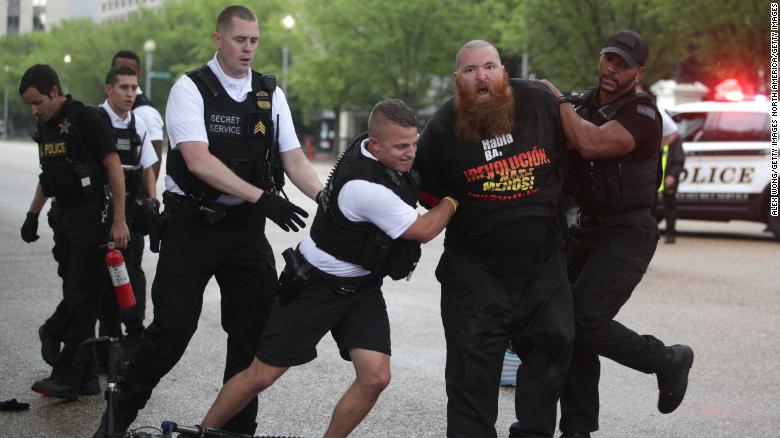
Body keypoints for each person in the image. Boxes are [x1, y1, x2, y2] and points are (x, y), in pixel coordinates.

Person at [94, 5, 322, 436]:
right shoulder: (191, 88)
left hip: (245, 230)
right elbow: (198, 160)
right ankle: (115, 419)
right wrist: (262, 197)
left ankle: (234, 431)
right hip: (192, 226)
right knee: (171, 331)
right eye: (240, 40)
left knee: (251, 333)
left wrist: (326, 199)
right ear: (219, 40)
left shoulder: (269, 93)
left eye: (254, 41)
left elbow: (293, 158)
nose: (248, 49)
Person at [201, 99, 458, 437]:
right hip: (315, 286)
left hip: (361, 288)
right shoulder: (364, 187)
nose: (411, 153)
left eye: (414, 143)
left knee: (375, 377)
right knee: (261, 375)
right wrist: (455, 198)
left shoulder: (379, 153)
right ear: (375, 144)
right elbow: (424, 230)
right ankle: (203, 430)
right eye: (401, 147)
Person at [537, 29, 694, 438]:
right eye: (608, 58)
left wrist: (556, 100)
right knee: (568, 325)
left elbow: (590, 144)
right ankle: (578, 429)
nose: (612, 68)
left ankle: (666, 361)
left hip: (629, 230)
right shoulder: (585, 101)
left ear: (639, 71)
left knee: (585, 320)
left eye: (623, 64)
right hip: (588, 226)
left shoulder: (642, 115)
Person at [415, 40, 574, 438]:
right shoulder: (442, 126)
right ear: (457, 80)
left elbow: (581, 147)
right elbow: (422, 192)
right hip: (475, 274)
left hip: (542, 266)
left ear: (504, 72)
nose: (481, 76)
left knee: (556, 343)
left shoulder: (538, 103)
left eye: (489, 67)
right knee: (471, 374)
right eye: (470, 71)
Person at [19, 63, 130, 401]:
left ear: (55, 91)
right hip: (64, 217)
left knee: (82, 292)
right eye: (30, 106)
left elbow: (114, 168)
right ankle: (82, 379)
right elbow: (48, 175)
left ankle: (62, 361)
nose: (35, 110)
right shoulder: (47, 128)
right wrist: (32, 214)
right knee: (82, 294)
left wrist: (120, 219)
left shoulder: (86, 119)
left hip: (92, 213)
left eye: (38, 102)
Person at [95, 65, 159, 362]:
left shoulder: (139, 124)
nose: (130, 94)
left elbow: (147, 167)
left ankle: (133, 334)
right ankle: (106, 341)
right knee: (101, 282)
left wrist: (152, 202)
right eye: (124, 88)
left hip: (130, 216)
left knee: (131, 275)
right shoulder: (94, 120)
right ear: (109, 89)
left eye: (134, 88)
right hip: (98, 215)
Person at [111, 50, 165, 180]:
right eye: (120, 70)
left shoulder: (146, 113)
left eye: (130, 70)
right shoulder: (105, 109)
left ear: (139, 74)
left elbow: (153, 165)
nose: (125, 74)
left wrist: (140, 198)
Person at [658, 110, 685, 243]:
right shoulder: (659, 138)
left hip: (668, 178)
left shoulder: (675, 139)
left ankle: (670, 234)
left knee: (670, 205)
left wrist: (672, 176)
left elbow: (679, 161)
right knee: (651, 207)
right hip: (657, 179)